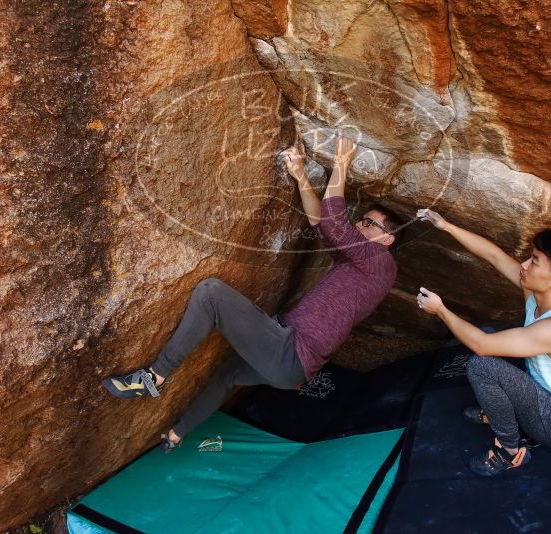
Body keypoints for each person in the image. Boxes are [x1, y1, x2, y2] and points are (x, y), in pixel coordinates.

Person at [103, 135, 404, 452]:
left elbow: (333, 221)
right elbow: (321, 223)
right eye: (361, 219)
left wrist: (342, 164)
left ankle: (153, 377)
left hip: (291, 351)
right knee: (227, 375)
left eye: (370, 223)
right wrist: (301, 175)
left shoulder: (382, 265)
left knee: (210, 293)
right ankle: (176, 435)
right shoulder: (356, 263)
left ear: (388, 240)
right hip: (292, 366)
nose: (360, 224)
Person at [415, 208, 551, 476]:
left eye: (534, 261)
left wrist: (441, 310)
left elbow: (481, 345)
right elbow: (494, 255)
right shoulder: (544, 292)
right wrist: (445, 225)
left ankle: (510, 450)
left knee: (483, 365)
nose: (524, 265)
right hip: (547, 401)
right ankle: (505, 413)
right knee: (497, 340)